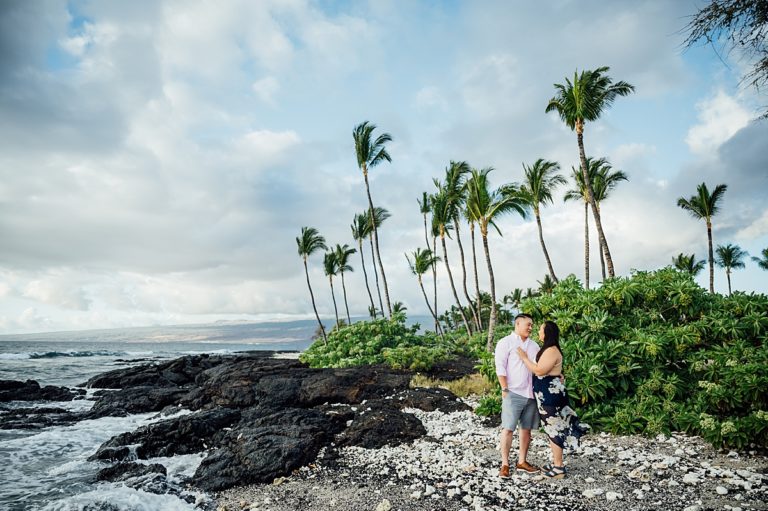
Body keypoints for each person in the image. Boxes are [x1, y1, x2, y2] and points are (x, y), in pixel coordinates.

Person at [517, 320, 589, 479]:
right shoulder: (548, 349)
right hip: (547, 395)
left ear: (547, 333)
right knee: (552, 428)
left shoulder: (551, 350)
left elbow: (539, 370)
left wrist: (523, 357)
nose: (538, 333)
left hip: (550, 396)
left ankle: (559, 467)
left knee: (553, 429)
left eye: (541, 330)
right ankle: (557, 463)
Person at [494, 313, 541, 477]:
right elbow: (500, 367)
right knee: (508, 429)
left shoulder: (534, 345)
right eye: (528, 324)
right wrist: (504, 389)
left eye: (532, 325)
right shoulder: (505, 343)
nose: (530, 327)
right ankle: (505, 464)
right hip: (512, 392)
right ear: (518, 324)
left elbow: (539, 367)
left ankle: (522, 461)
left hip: (530, 393)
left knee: (526, 430)